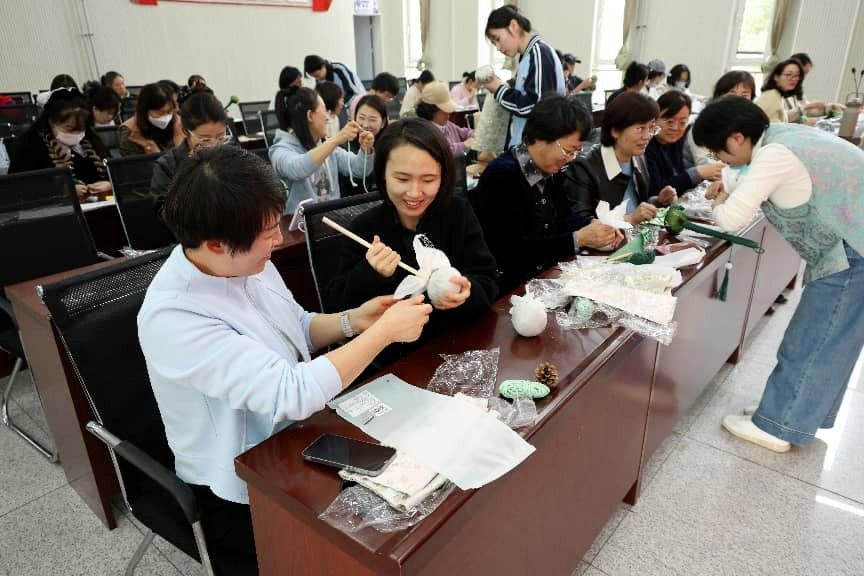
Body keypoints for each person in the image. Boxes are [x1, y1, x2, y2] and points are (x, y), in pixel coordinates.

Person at [138, 146, 432, 574]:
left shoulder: (245, 261)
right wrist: (384, 334)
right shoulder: (174, 317)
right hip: (241, 479)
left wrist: (355, 321)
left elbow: (296, 326)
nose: (278, 239)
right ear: (216, 245)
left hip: (299, 435)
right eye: (268, 232)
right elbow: (290, 392)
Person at [692, 96, 864, 453]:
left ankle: (779, 424)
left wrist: (718, 202)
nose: (720, 160)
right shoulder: (781, 136)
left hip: (851, 251)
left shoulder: (775, 155)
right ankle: (796, 413)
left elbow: (731, 219)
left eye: (717, 151)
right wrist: (729, 183)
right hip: (851, 242)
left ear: (737, 137)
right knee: (834, 341)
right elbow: (745, 174)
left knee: (814, 338)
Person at [326, 118, 497, 336]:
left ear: (442, 177)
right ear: (383, 174)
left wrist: (465, 293)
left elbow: (488, 281)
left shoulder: (458, 213)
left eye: (428, 180)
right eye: (402, 179)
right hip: (394, 348)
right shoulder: (363, 229)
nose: (415, 193)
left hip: (455, 339)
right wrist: (369, 272)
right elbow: (335, 306)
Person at [473, 94, 615, 292]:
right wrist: (578, 239)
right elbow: (511, 251)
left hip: (545, 275)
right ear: (541, 137)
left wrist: (592, 225)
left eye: (575, 152)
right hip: (511, 288)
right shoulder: (503, 176)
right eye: (568, 150)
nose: (570, 158)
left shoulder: (550, 169)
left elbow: (564, 217)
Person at [559, 92, 676, 237]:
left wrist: (657, 201)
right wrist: (630, 219)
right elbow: (582, 225)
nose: (647, 136)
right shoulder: (584, 167)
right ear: (615, 130)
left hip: (635, 237)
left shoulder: (638, 156)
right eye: (640, 128)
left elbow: (635, 204)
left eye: (651, 128)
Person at [269, 86, 374, 213]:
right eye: (324, 110)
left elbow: (359, 169)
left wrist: (365, 150)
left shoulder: (324, 144)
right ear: (310, 115)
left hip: (332, 216)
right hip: (301, 222)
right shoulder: (280, 149)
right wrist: (335, 140)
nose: (327, 117)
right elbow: (297, 169)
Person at [481, 5, 565, 148]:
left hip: (537, 149)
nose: (498, 48)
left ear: (513, 26)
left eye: (497, 39)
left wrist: (499, 90)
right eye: (494, 44)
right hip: (527, 147)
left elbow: (534, 107)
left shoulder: (538, 54)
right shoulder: (528, 56)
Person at [8, 87, 112, 199]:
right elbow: (18, 187)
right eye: (69, 128)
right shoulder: (30, 143)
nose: (76, 134)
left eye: (81, 128)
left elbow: (114, 169)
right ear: (51, 122)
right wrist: (62, 190)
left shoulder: (91, 138)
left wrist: (110, 183)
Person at [150, 92, 230, 210]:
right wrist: (190, 171)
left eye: (220, 137)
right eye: (205, 139)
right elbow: (163, 212)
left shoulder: (232, 155)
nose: (214, 145)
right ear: (186, 132)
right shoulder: (166, 165)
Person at [644, 91, 724, 197]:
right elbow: (653, 190)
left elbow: (709, 153)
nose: (675, 128)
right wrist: (698, 172)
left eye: (682, 123)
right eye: (669, 121)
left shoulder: (675, 140)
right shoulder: (645, 144)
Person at [341, 94, 390, 196]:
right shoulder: (344, 145)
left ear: (383, 122)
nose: (365, 125)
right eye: (361, 118)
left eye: (372, 119)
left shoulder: (390, 146)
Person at [118, 83, 184, 156]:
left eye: (169, 111)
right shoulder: (129, 132)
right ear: (144, 110)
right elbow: (134, 162)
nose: (166, 117)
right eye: (160, 113)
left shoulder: (178, 123)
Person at [414, 82, 474, 156]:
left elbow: (464, 132)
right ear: (431, 110)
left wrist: (473, 134)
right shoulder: (425, 132)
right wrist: (464, 145)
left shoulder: (447, 125)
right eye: (444, 111)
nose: (448, 113)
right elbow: (443, 151)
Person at [754, 59, 807, 123]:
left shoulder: (779, 96)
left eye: (796, 75)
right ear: (776, 77)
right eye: (788, 74)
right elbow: (769, 126)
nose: (793, 79)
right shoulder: (771, 96)